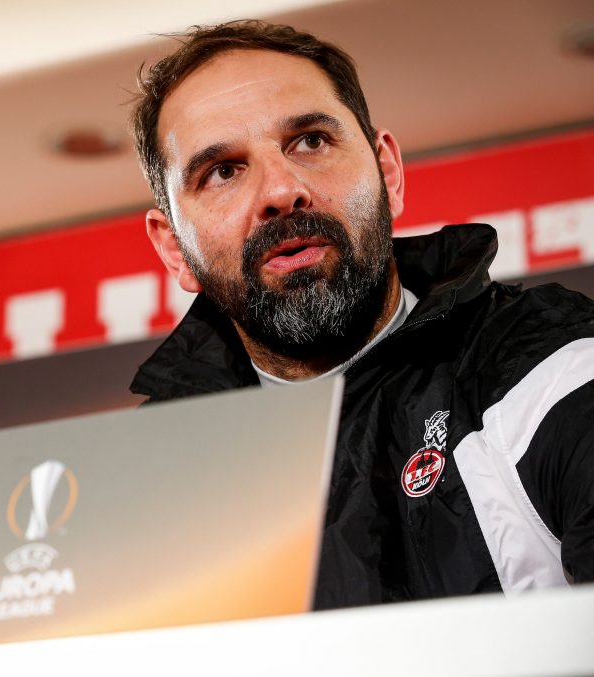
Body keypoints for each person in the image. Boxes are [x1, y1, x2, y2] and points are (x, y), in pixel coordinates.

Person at [128, 20, 594, 608]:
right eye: (222, 171)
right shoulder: (141, 483)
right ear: (174, 249)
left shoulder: (552, 369)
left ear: (387, 172)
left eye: (310, 141)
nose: (280, 191)